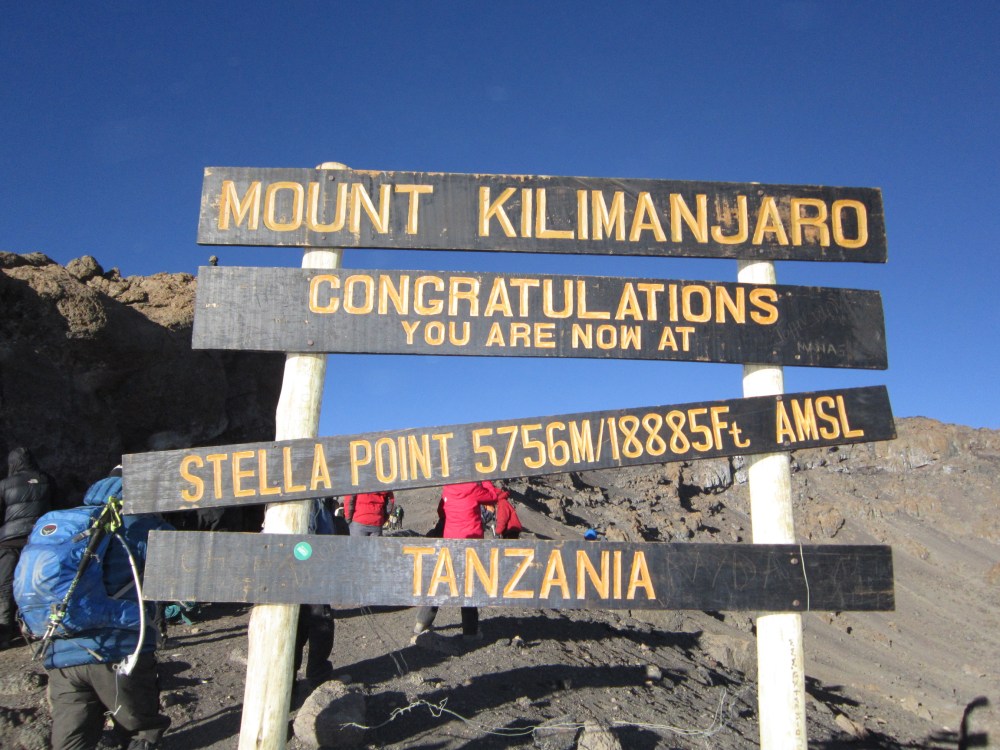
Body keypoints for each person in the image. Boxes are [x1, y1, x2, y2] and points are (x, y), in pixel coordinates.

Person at [40, 466, 172, 750]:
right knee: (141, 729)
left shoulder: (69, 521)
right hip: (117, 649)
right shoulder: (140, 524)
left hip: (61, 651)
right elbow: (183, 567)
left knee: (71, 739)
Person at [413, 481, 509, 640]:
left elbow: (441, 511)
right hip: (470, 542)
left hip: (450, 540)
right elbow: (492, 496)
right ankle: (470, 632)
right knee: (468, 586)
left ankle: (421, 623)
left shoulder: (447, 488)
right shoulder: (473, 488)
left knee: (441, 582)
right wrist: (485, 481)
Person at [0, 446, 53, 648]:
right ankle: (40, 626)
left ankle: (5, 630)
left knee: (5, 585)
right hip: (39, 539)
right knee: (38, 582)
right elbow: (55, 507)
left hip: (9, 541)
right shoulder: (46, 479)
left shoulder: (4, 484)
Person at [293, 498, 336, 686]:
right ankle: (317, 671)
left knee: (291, 624)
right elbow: (328, 535)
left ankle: (288, 676)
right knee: (320, 621)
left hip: (279, 573)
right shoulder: (315, 503)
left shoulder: (271, 498)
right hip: (311, 571)